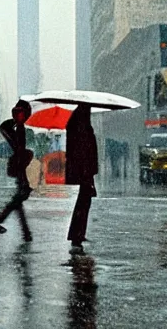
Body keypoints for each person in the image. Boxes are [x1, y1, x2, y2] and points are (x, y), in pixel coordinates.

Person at [0, 100, 34, 242]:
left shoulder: (16, 126)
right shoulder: (18, 127)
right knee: (19, 197)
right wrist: (27, 154)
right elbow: (19, 149)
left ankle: (24, 231)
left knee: (19, 199)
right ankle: (1, 222)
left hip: (19, 166)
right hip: (20, 167)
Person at [65, 105, 98, 253]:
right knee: (83, 202)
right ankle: (77, 235)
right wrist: (87, 174)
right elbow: (85, 152)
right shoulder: (82, 129)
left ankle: (78, 234)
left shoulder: (78, 126)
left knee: (84, 201)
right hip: (85, 171)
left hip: (85, 171)